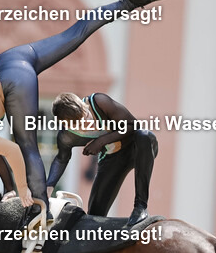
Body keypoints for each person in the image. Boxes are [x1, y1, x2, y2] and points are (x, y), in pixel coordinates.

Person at [0, 0, 168, 208]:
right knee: (73, 35)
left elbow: (11, 151)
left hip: (11, 80)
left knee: (26, 145)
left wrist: (23, 190)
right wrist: (9, 188)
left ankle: (40, 209)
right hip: (8, 59)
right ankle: (128, 3)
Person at [45, 91, 158, 225]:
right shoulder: (66, 137)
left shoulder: (99, 102)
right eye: (79, 126)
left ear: (84, 105)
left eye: (86, 117)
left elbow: (133, 125)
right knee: (93, 218)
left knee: (143, 135)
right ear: (66, 125)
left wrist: (101, 141)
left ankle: (140, 206)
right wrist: (48, 188)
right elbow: (61, 159)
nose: (87, 125)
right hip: (113, 159)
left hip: (136, 149)